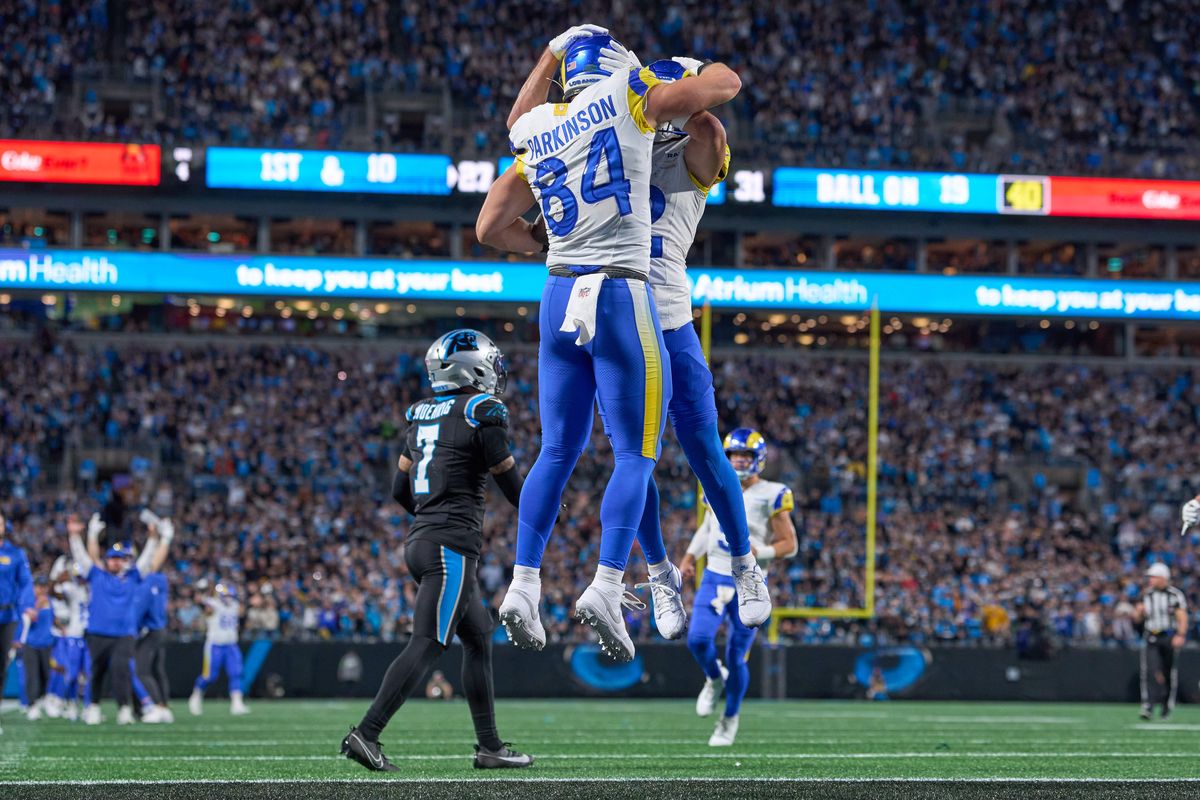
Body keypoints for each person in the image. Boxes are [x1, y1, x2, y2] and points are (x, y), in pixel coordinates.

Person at [476, 26, 745, 662]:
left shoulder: (539, 124)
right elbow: (724, 86)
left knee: (556, 449)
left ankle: (523, 584)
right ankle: (606, 583)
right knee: (636, 453)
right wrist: (686, 74)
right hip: (622, 290)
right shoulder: (630, 93)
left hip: (557, 292)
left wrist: (548, 52)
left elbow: (491, 223)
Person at [342, 329, 533, 772]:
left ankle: (489, 747)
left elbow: (397, 488)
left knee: (479, 636)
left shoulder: (422, 415)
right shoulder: (481, 413)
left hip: (424, 541)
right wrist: (547, 510)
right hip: (450, 547)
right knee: (429, 642)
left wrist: (429, 520)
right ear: (475, 368)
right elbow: (513, 489)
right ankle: (366, 733)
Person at [680, 428, 797, 747]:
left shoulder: (773, 493)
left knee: (736, 656)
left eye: (745, 456)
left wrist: (764, 552)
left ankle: (729, 719)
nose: (739, 461)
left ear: (758, 459)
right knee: (698, 639)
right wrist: (690, 556)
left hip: (749, 581)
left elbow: (790, 544)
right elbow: (707, 527)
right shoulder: (714, 484)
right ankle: (714, 679)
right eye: (734, 456)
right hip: (715, 575)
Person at [68, 511, 163, 726]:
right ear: (107, 559)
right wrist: (75, 537)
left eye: (120, 559)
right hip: (98, 632)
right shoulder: (97, 575)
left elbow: (148, 560)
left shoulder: (132, 577)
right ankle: (93, 707)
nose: (116, 562)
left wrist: (153, 539)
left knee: (121, 669)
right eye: (112, 558)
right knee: (97, 670)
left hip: (124, 633)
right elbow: (82, 558)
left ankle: (124, 708)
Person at [134, 511, 174, 723]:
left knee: (142, 670)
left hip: (150, 629)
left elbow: (150, 564)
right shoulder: (160, 580)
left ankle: (158, 706)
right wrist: (158, 538)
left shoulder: (150, 579)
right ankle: (164, 706)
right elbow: (152, 562)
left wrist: (163, 538)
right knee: (156, 670)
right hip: (158, 628)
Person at [1133, 563, 1187, 720]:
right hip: (1151, 636)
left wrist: (1180, 634)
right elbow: (1137, 618)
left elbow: (1181, 616)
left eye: (1153, 577)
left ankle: (1166, 704)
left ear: (1163, 578)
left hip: (1169, 636)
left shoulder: (1174, 595)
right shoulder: (1146, 595)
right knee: (1149, 670)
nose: (1150, 580)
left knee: (1168, 672)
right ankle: (1148, 705)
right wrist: (1138, 613)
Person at [188, 581, 249, 716]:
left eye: (230, 595)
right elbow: (202, 603)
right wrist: (202, 594)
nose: (228, 598)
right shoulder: (212, 604)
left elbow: (242, 611)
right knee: (209, 676)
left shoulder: (235, 605)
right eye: (225, 595)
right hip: (215, 645)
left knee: (236, 673)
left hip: (231, 644)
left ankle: (237, 703)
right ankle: (196, 696)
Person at [0, 508, 35, 735]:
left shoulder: (16, 553)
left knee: (0, 666)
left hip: (7, 615)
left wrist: (27, 608)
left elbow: (25, 584)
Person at [45, 555, 90, 720]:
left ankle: (85, 706)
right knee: (70, 672)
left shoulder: (91, 588)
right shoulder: (71, 588)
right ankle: (66, 702)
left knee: (86, 673)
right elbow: (54, 591)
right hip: (73, 635)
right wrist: (58, 577)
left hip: (88, 636)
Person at [19, 580, 55, 720]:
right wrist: (37, 606)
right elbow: (27, 620)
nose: (42, 590)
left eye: (44, 586)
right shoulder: (27, 602)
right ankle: (31, 705)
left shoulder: (50, 601)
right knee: (32, 676)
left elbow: (52, 620)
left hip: (46, 643)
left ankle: (42, 699)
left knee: (45, 675)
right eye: (39, 586)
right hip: (31, 643)